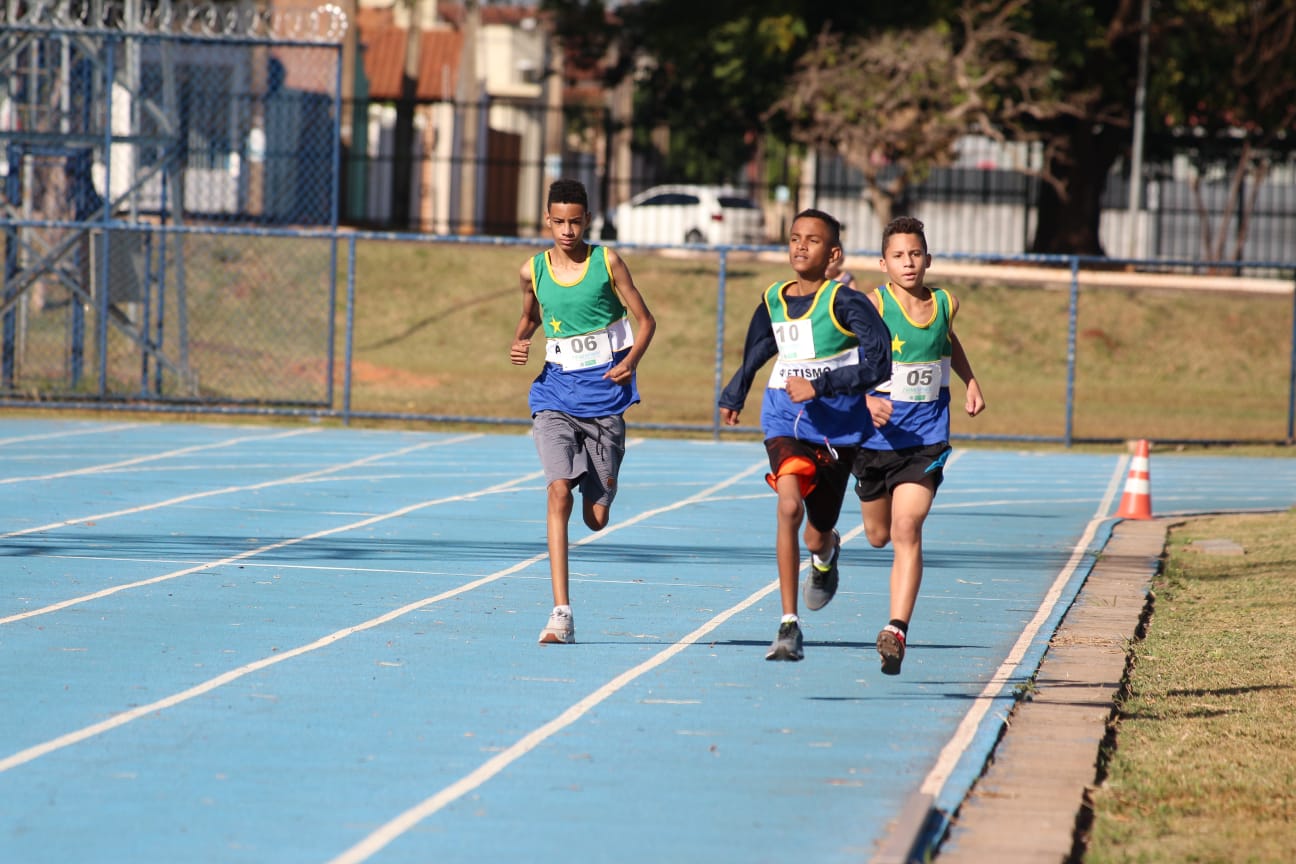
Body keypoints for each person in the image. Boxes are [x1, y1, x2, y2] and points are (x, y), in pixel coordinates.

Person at [718, 209, 891, 661]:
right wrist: (736, 391)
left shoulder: (846, 303)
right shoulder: (773, 298)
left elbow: (880, 364)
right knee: (788, 505)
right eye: (794, 238)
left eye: (812, 240)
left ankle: (826, 554)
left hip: (837, 432)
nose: (800, 246)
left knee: (817, 532)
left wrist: (821, 385)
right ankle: (788, 624)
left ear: (833, 254)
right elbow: (760, 346)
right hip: (783, 420)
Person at [510, 178, 656, 645]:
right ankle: (561, 612)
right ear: (547, 220)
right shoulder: (531, 269)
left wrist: (630, 362)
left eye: (576, 222)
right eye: (559, 222)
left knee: (594, 518)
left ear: (588, 219)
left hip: (604, 397)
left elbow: (646, 320)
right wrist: (521, 339)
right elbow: (532, 315)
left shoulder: (606, 261)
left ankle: (607, 483)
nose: (567, 231)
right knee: (558, 493)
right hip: (554, 391)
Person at [853, 216, 985, 675]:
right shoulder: (873, 305)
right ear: (883, 262)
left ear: (927, 258)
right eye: (898, 255)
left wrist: (969, 380)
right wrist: (865, 397)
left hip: (925, 440)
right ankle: (828, 546)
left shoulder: (946, 302)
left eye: (915, 254)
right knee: (878, 535)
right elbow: (848, 359)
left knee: (907, 527)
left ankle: (896, 630)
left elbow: (947, 341)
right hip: (876, 441)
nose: (908, 263)